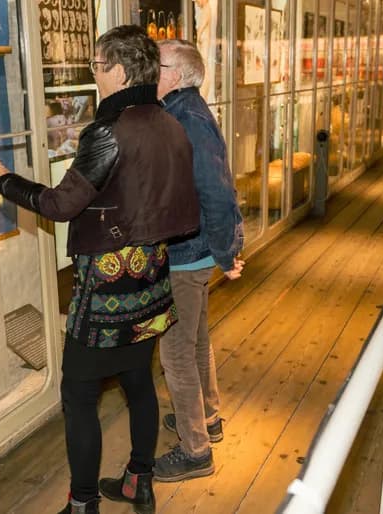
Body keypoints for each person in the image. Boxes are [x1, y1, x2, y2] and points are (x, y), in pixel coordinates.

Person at [0, 25, 200, 514]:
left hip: (107, 289)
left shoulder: (108, 132)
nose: (94, 75)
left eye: (96, 66)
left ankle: (83, 504)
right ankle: (139, 481)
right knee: (138, 380)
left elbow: (59, 204)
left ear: (119, 71)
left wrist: (3, 179)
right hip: (152, 277)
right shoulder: (170, 123)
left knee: (78, 394)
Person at [147, 39, 244, 483]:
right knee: (197, 339)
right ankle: (207, 417)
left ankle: (195, 450)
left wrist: (227, 252)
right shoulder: (182, 111)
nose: (150, 69)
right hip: (195, 250)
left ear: (178, 75)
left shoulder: (186, 118)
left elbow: (218, 193)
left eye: (157, 63)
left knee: (176, 353)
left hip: (187, 254)